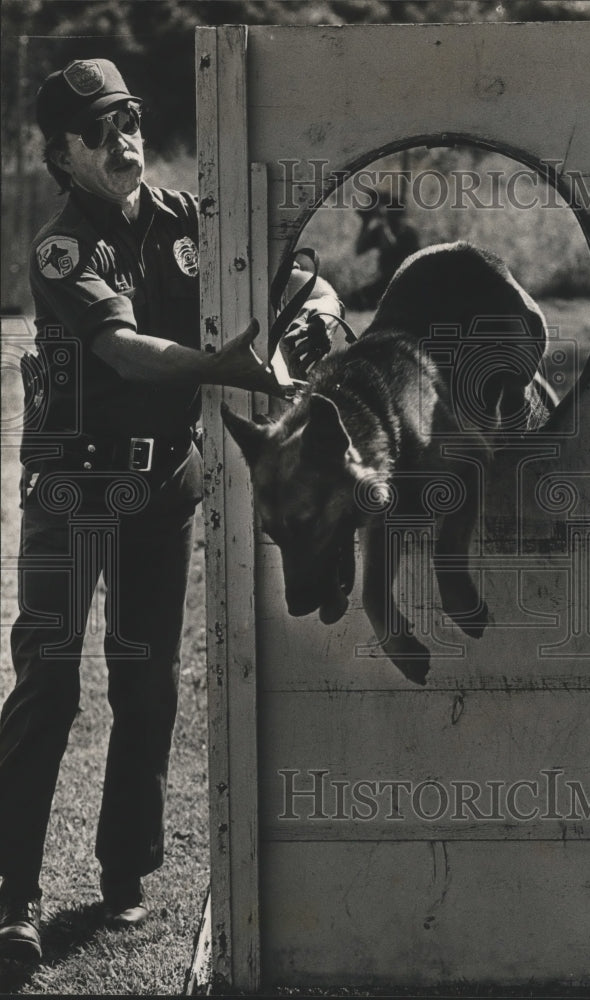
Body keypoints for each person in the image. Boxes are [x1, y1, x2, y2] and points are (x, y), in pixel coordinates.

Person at [0, 58, 341, 964]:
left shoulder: (190, 221)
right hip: (72, 494)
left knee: (145, 688)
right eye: (100, 130)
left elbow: (303, 274)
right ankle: (13, 898)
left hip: (163, 490)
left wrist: (315, 310)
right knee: (49, 684)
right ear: (63, 155)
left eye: (130, 120)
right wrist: (220, 369)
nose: (124, 140)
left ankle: (124, 877)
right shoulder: (64, 248)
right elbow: (122, 350)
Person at [347, 196, 420, 311]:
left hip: (405, 281)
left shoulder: (408, 231)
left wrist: (383, 224)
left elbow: (390, 247)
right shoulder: (381, 230)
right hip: (385, 283)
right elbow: (359, 249)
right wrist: (365, 222)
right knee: (356, 298)